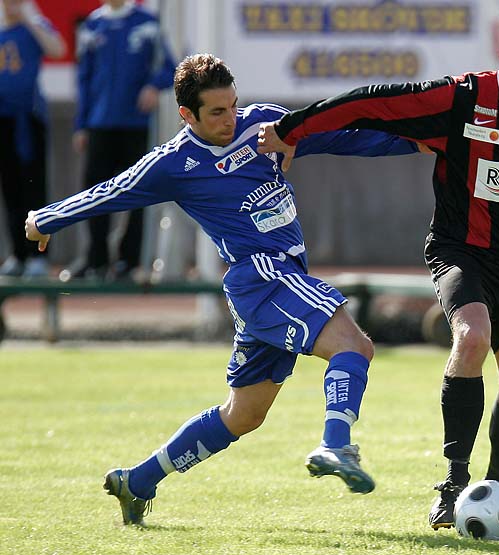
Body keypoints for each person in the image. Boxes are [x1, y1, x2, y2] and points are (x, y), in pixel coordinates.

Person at [257, 15, 499, 530]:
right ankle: (452, 484)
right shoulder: (461, 98)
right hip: (459, 248)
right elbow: (369, 101)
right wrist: (294, 130)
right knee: (471, 338)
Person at [25, 53, 420, 525]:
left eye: (233, 105)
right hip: (262, 277)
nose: (230, 118)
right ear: (186, 115)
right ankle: (336, 446)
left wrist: (421, 142)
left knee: (244, 414)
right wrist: (46, 218)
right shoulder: (173, 163)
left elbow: (342, 137)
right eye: (216, 111)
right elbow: (112, 190)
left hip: (274, 281)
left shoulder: (262, 125)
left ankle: (139, 480)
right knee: (354, 345)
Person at [65, 0, 176, 280]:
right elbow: (84, 78)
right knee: (93, 194)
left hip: (135, 125)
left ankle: (128, 260)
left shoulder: (147, 23)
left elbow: (170, 67)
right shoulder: (93, 25)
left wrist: (153, 86)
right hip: (99, 124)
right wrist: (81, 124)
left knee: (136, 192)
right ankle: (95, 259)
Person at [0, 0, 65, 277]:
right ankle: (17, 253)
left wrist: (29, 19)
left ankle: (39, 255)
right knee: (10, 188)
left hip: (30, 118)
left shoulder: (35, 25)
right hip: (4, 119)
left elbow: (57, 49)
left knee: (34, 186)